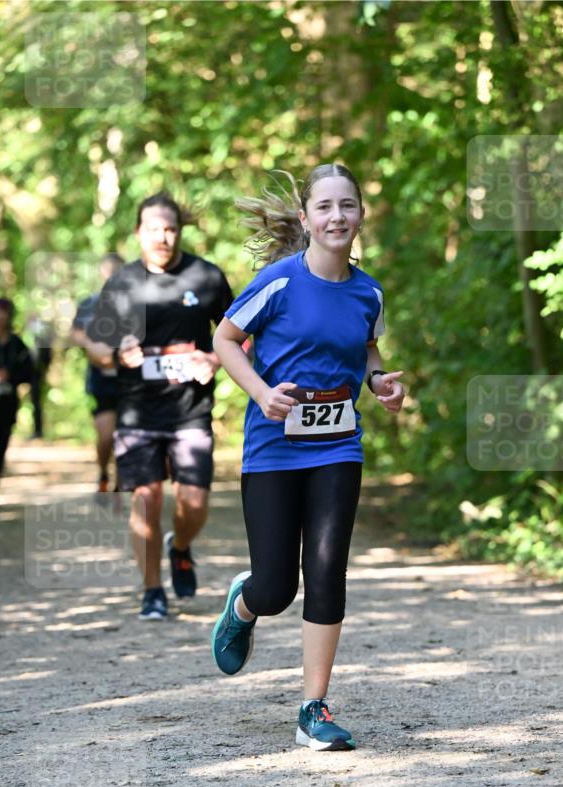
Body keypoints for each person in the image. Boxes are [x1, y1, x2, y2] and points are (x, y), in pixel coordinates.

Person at [211, 164, 404, 751]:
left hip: (338, 444)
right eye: (325, 207)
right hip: (273, 448)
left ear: (360, 215)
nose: (337, 217)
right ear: (306, 219)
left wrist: (379, 383)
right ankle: (245, 603)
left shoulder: (368, 292)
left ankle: (312, 708)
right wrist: (262, 392)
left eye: (347, 206)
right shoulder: (279, 282)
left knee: (326, 574)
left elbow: (367, 347)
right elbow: (225, 341)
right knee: (277, 588)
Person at [87, 194, 233, 620]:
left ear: (180, 231)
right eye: (153, 229)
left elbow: (241, 334)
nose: (162, 237)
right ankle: (152, 590)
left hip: (190, 411)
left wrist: (214, 358)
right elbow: (96, 343)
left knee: (194, 504)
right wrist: (117, 350)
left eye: (169, 229)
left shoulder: (206, 277)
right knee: (146, 501)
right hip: (136, 411)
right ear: (138, 233)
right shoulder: (122, 283)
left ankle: (181, 546)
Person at [70, 253, 124, 493]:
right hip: (101, 381)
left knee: (126, 437)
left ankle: (122, 485)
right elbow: (75, 333)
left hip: (129, 381)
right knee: (106, 435)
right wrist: (93, 347)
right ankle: (103, 471)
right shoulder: (89, 303)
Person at [0, 298, 35, 488]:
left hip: (6, 404)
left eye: (4, 312)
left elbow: (29, 373)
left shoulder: (17, 345)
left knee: (0, 446)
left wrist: (10, 376)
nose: (1, 317)